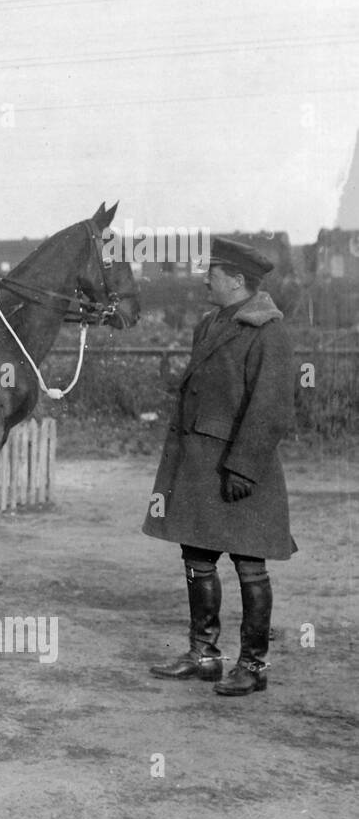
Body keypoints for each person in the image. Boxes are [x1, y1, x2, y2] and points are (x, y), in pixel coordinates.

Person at [144, 237, 296, 696]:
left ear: (236, 279)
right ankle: (204, 655)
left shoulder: (268, 332)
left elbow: (270, 408)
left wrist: (244, 469)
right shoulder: (210, 323)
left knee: (250, 564)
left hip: (240, 469)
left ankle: (253, 666)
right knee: (197, 559)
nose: (205, 278)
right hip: (199, 465)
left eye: (212, 272)